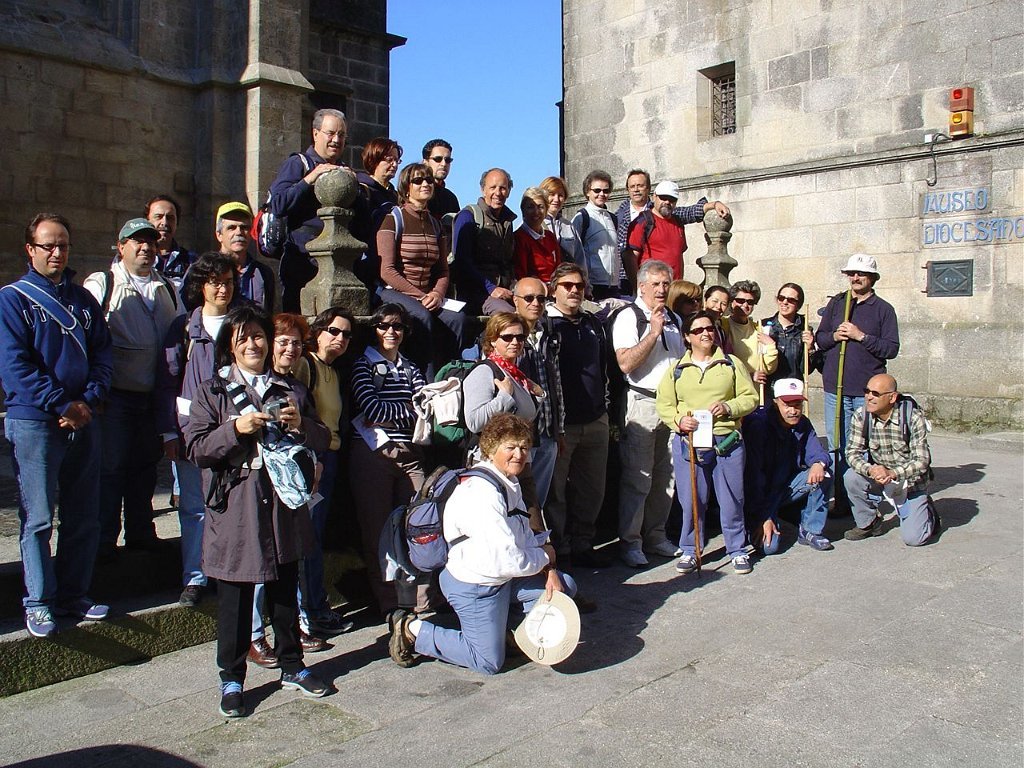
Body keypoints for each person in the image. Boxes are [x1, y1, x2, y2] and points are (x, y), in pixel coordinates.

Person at [185, 305, 331, 717]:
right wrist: (235, 429)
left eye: (258, 336)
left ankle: (293, 665)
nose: (253, 344)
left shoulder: (290, 388)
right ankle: (231, 678)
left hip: (283, 504)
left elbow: (322, 438)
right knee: (235, 596)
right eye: (243, 338)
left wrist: (301, 425)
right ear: (229, 346)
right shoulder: (213, 391)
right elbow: (197, 448)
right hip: (237, 506)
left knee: (285, 589)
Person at [386, 413, 577, 675]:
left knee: (563, 588)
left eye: (524, 447)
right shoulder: (482, 493)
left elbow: (522, 538)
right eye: (510, 447)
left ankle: (507, 632)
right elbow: (507, 560)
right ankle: (412, 630)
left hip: (503, 577)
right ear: (490, 449)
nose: (519, 454)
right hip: (476, 584)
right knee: (488, 661)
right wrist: (545, 557)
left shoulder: (508, 482)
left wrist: (549, 569)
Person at [0, 213, 113, 638]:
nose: (57, 253)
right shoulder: (12, 300)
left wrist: (89, 399)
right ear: (30, 249)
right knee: (39, 517)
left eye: (63, 245)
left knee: (84, 514)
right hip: (35, 422)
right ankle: (38, 602)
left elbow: (103, 354)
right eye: (48, 245)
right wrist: (62, 402)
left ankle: (73, 594)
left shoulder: (83, 301)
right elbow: (14, 367)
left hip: (84, 419)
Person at [84, 218, 183, 560]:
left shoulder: (167, 287)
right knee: (111, 468)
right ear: (121, 246)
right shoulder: (103, 283)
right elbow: (87, 336)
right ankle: (104, 540)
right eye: (137, 242)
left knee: (145, 467)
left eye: (150, 242)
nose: (145, 248)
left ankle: (141, 533)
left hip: (153, 396)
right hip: (115, 395)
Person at [157, 252, 238, 607]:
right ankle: (195, 576)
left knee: (231, 504)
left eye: (228, 282)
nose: (223, 289)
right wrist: (169, 432)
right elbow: (167, 380)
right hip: (193, 430)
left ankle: (227, 571)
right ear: (201, 286)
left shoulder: (243, 324)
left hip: (235, 429)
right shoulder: (184, 328)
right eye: (215, 283)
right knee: (193, 507)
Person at [656, 311, 758, 575]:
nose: (706, 333)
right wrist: (679, 420)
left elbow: (750, 398)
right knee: (692, 499)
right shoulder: (677, 370)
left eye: (710, 328)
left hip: (727, 441)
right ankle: (691, 549)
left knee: (732, 498)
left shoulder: (732, 364)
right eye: (698, 330)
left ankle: (737, 549)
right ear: (687, 337)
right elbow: (664, 404)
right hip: (690, 442)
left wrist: (729, 407)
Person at [348, 303, 430, 616]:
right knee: (377, 531)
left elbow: (426, 407)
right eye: (383, 326)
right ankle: (389, 603)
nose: (391, 331)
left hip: (411, 453)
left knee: (420, 524)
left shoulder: (410, 367)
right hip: (374, 453)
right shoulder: (363, 365)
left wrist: (404, 411)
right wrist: (408, 410)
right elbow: (372, 409)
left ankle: (421, 599)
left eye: (397, 326)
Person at [612, 260, 684, 567]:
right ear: (641, 286)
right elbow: (625, 363)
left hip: (672, 405)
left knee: (667, 477)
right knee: (637, 478)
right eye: (655, 284)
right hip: (642, 402)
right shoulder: (629, 317)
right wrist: (653, 333)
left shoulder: (674, 318)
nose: (661, 289)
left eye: (666, 284)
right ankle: (631, 542)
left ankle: (656, 536)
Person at [815, 254, 900, 513]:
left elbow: (891, 349)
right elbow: (821, 338)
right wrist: (835, 336)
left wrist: (861, 336)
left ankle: (863, 503)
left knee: (863, 448)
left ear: (872, 278)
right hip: (835, 389)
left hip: (867, 393)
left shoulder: (883, 309)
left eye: (861, 274)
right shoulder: (838, 303)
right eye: (851, 273)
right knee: (837, 446)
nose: (855, 278)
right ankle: (841, 500)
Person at [292, 308, 356, 639]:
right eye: (334, 330)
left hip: (329, 458)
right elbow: (296, 414)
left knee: (315, 537)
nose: (340, 338)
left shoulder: (333, 371)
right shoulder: (307, 365)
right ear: (317, 332)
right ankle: (307, 612)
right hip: (310, 459)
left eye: (346, 334)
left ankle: (316, 607)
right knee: (306, 538)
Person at [544, 263, 613, 567]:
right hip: (562, 424)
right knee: (556, 492)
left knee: (592, 489)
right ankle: (560, 548)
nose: (574, 291)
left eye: (579, 286)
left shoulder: (592, 323)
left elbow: (605, 365)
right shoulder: (546, 325)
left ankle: (584, 543)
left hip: (595, 418)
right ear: (554, 289)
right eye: (567, 285)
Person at [378, 162, 468, 379]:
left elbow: (443, 270)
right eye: (418, 180)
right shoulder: (393, 219)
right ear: (406, 187)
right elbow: (387, 270)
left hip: (428, 295)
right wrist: (420, 296)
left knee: (458, 319)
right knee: (422, 316)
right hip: (395, 291)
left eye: (429, 180)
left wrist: (436, 294)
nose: (425, 184)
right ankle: (426, 381)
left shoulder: (436, 225)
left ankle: (450, 376)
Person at [268, 108, 359, 311]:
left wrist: (356, 188)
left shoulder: (345, 170)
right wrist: (309, 179)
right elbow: (278, 204)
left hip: (338, 261)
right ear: (315, 133)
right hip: (301, 259)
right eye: (331, 133)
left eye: (341, 135)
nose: (336, 140)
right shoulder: (297, 164)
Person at [843, 374, 937, 546]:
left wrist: (893, 473)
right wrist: (871, 469)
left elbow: (922, 461)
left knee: (914, 539)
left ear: (892, 397)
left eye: (875, 393)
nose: (868, 397)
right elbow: (851, 453)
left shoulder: (913, 418)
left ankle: (928, 513)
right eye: (866, 391)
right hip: (880, 478)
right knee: (851, 477)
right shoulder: (861, 416)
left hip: (911, 483)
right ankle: (869, 523)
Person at [743, 378, 833, 555]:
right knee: (769, 548)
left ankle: (810, 529)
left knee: (825, 471)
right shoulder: (759, 426)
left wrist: (818, 463)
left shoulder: (803, 423)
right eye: (787, 405)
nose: (793, 411)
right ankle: (761, 522)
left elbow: (818, 452)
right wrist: (764, 516)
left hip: (786, 487)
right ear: (775, 402)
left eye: (797, 405)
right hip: (759, 496)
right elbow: (753, 479)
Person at [614, 169, 730, 291]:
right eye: (632, 186)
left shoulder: (671, 216)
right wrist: (637, 287)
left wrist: (714, 204)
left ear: (649, 190)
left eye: (640, 186)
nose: (636, 189)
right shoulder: (618, 218)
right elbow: (629, 256)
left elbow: (689, 212)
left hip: (672, 287)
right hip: (635, 284)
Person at [513, 277, 563, 508]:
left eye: (541, 299)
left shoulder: (549, 332)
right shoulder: (506, 334)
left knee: (537, 502)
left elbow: (557, 383)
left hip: (548, 430)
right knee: (517, 501)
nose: (536, 303)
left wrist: (559, 429)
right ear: (515, 301)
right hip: (520, 435)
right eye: (529, 298)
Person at [452, 168, 518, 315]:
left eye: (503, 188)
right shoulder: (468, 217)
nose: (498, 193)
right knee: (509, 315)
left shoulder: (507, 222)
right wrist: (490, 288)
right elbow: (462, 262)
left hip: (505, 290)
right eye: (493, 187)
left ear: (509, 191)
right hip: (476, 293)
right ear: (483, 190)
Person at [215, 201, 276, 312]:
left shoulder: (263, 273)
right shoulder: (205, 270)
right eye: (231, 228)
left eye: (244, 227)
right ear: (219, 235)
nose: (239, 232)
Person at [571, 170, 620, 299]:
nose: (601, 194)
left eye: (606, 191)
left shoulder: (613, 218)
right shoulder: (581, 217)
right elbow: (574, 253)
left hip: (613, 286)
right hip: (592, 286)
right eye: (597, 190)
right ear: (588, 191)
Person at [725, 280, 778, 390]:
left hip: (755, 393)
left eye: (750, 302)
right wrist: (749, 375)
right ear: (731, 302)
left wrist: (771, 346)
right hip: (732, 391)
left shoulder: (758, 329)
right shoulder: (722, 326)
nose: (745, 305)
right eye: (740, 301)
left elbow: (768, 369)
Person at [146, 194, 196, 298]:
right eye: (158, 217)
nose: (164, 222)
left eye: (170, 218)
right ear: (147, 220)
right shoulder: (137, 257)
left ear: (177, 223)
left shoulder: (191, 261)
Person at [513, 187, 562, 283]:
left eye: (540, 207)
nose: (536, 212)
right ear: (523, 211)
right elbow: (521, 275)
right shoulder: (519, 238)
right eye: (530, 207)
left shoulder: (550, 236)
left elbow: (559, 268)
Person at [540, 176, 584, 271]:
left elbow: (580, 259)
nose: (556, 199)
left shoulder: (569, 226)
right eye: (552, 194)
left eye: (560, 195)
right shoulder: (534, 224)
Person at [422, 139, 459, 217]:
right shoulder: (416, 192)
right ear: (425, 162)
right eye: (438, 159)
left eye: (447, 160)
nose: (444, 164)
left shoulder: (451, 198)